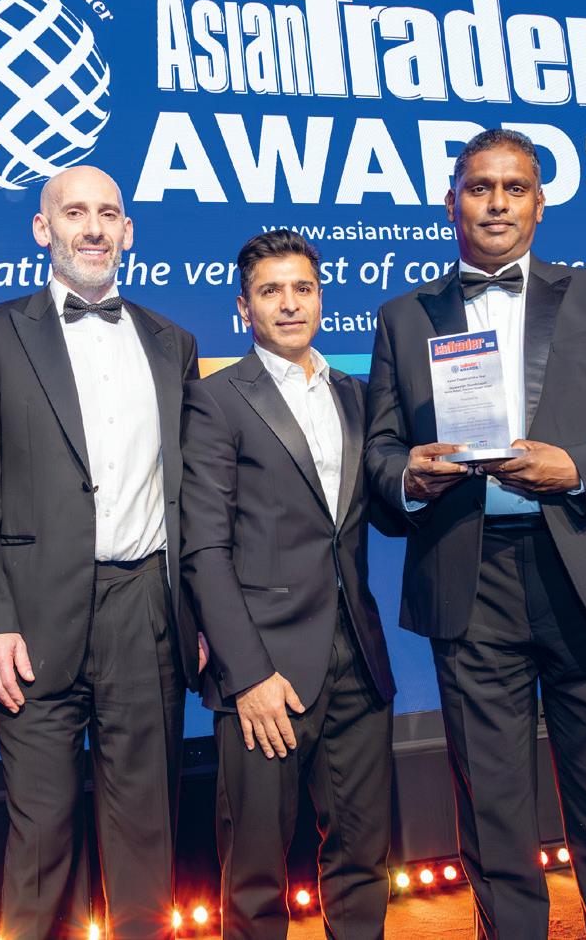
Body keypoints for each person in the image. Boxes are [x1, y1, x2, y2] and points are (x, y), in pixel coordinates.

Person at [365, 128, 586, 939]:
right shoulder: (403, 317)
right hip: (469, 579)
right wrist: (409, 475)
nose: (496, 203)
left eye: (513, 188)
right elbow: (380, 450)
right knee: (492, 813)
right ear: (451, 203)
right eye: (479, 188)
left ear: (539, 204)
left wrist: (578, 466)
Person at [0, 166, 201, 940]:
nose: (92, 228)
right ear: (42, 227)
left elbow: (190, 496)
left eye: (108, 214)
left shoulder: (173, 343)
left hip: (145, 611)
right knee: (41, 842)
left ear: (129, 231)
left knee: (147, 837)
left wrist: (194, 613)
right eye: (75, 212)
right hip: (30, 619)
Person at [181, 230, 396, 940]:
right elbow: (205, 548)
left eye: (303, 288)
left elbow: (379, 510)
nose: (289, 303)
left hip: (358, 659)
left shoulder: (357, 396)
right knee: (255, 875)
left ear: (321, 299)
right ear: (244, 307)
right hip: (265, 671)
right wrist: (247, 674)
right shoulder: (215, 399)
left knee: (363, 858)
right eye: (270, 291)